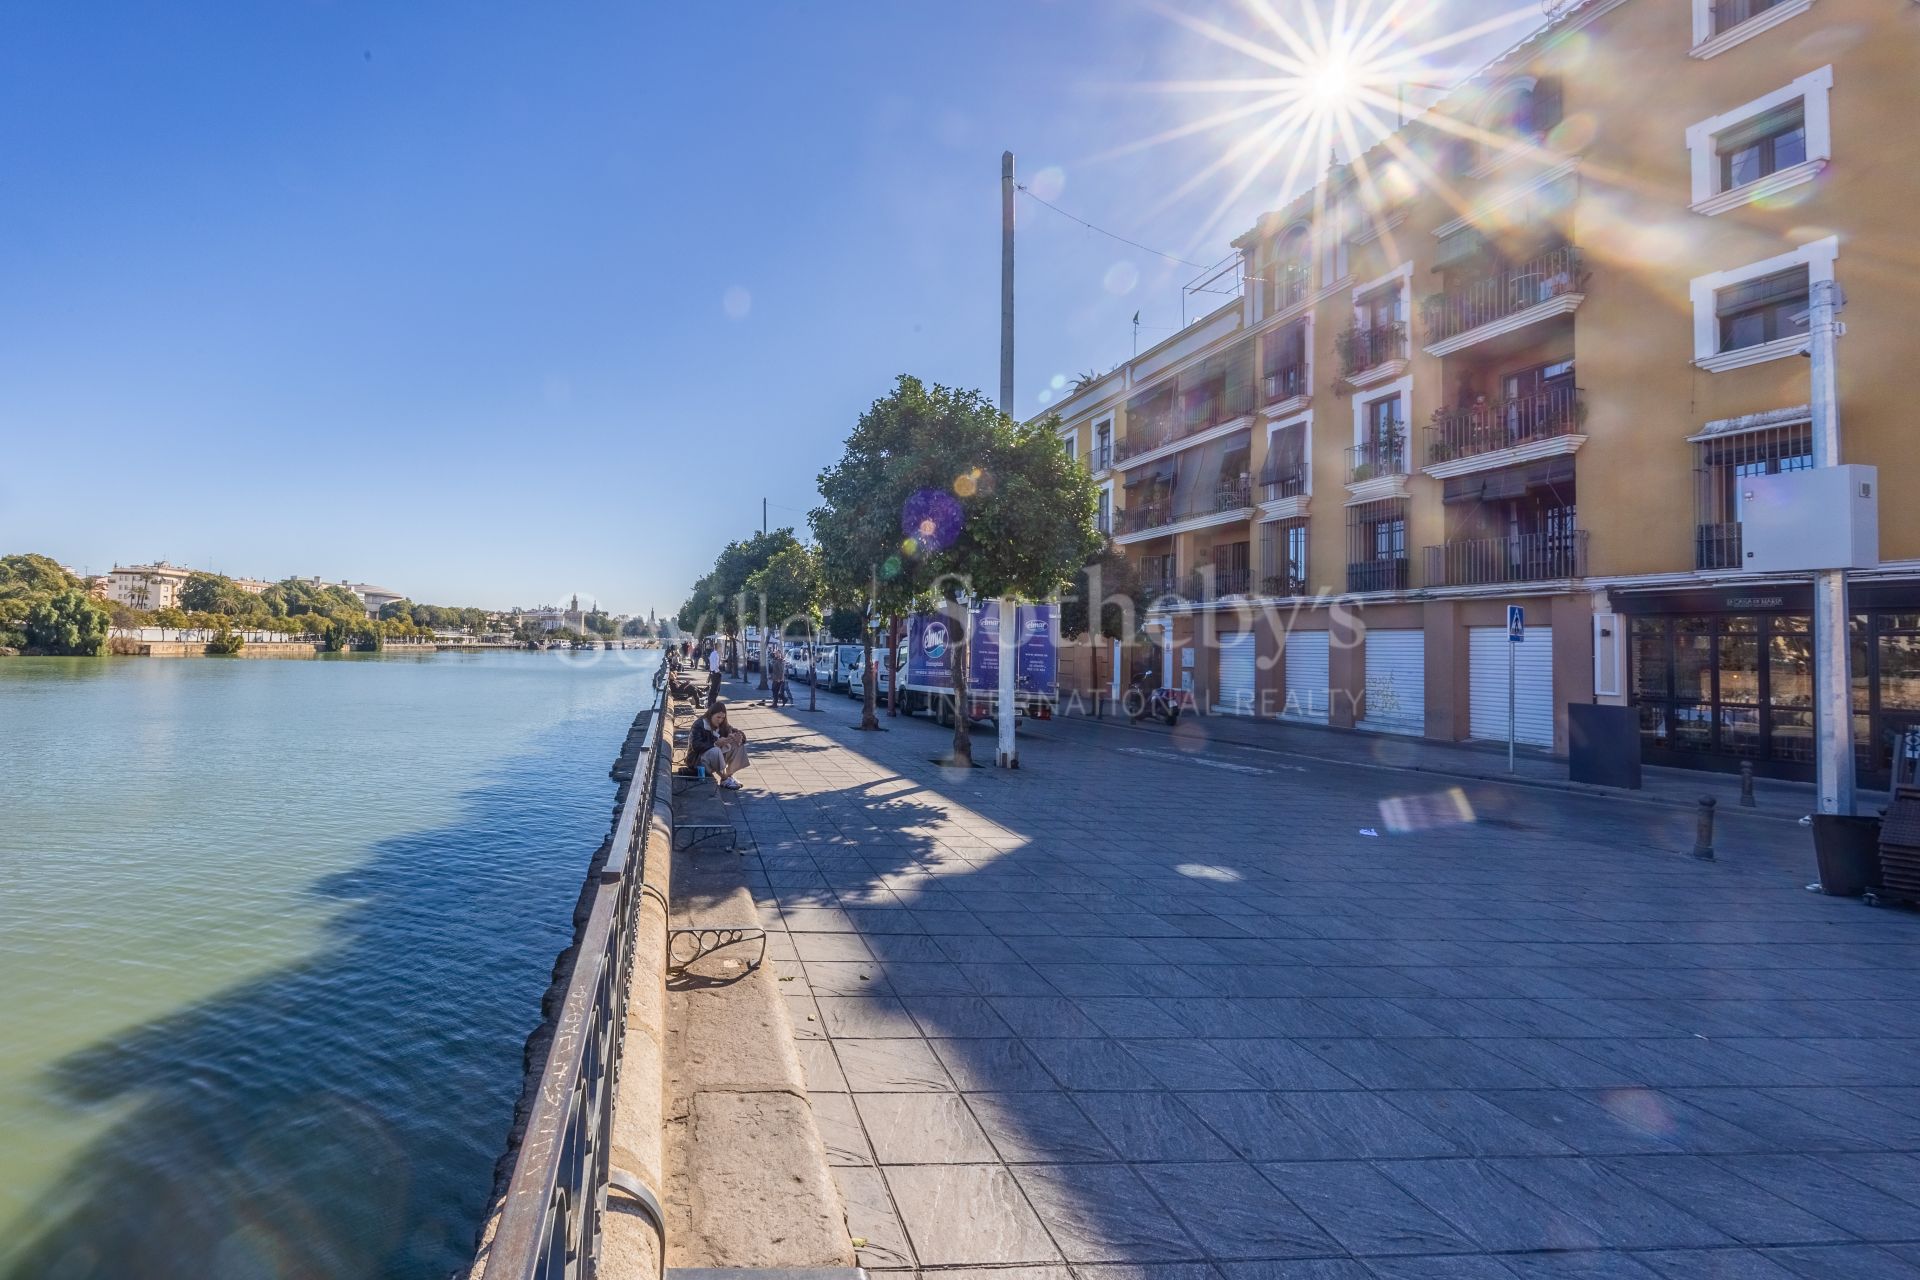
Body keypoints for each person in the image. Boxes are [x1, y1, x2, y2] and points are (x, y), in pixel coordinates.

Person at [687, 701, 749, 790]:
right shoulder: (699, 724)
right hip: (698, 761)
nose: (720, 720)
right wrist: (715, 744)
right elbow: (696, 746)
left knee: (737, 744)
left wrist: (739, 737)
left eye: (723, 718)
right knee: (715, 750)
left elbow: (734, 730)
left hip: (715, 760)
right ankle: (724, 778)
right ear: (711, 715)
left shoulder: (723, 725)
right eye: (718, 717)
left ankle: (728, 776)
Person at [767, 643, 790, 707]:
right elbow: (773, 669)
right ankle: (783, 699)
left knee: (774, 690)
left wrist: (779, 679)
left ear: (779, 654)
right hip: (775, 678)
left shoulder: (780, 661)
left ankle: (776, 703)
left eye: (776, 653)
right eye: (775, 653)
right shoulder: (776, 660)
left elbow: (781, 671)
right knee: (775, 690)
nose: (775, 654)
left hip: (778, 678)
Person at [704, 639, 723, 707]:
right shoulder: (715, 655)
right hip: (716, 673)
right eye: (720, 647)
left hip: (713, 673)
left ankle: (711, 702)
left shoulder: (713, 653)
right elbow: (715, 665)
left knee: (714, 689)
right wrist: (718, 670)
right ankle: (711, 703)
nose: (721, 649)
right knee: (715, 689)